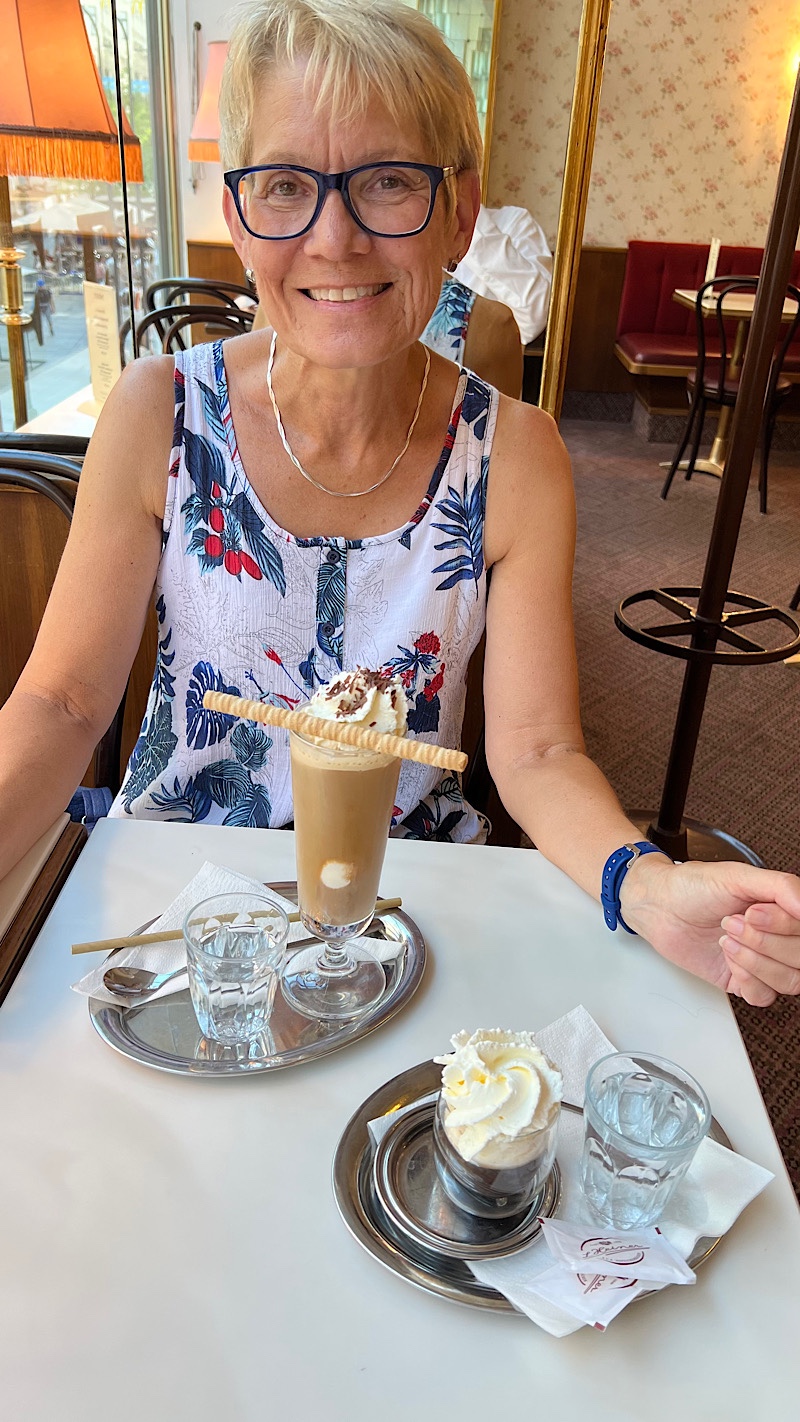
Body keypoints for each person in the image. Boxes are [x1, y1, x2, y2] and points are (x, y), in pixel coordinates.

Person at [1, 0, 798, 1010]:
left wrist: (643, 884)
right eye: (285, 184)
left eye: (387, 181)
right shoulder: (156, 410)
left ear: (459, 214)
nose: (334, 239)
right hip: (177, 914)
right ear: (239, 217)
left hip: (407, 914)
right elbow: (63, 703)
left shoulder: (518, 455)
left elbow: (538, 751)